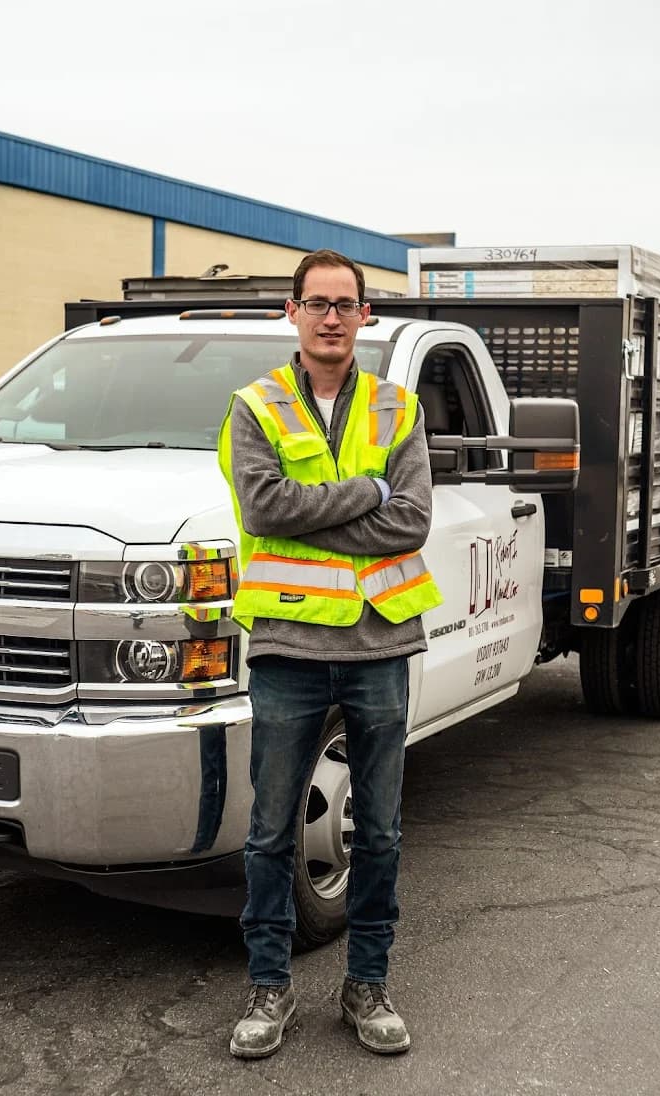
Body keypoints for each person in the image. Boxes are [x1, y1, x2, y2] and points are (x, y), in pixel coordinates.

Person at [217, 248, 442, 1059]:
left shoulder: (398, 406)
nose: (332, 317)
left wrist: (332, 510)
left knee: (377, 833)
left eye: (346, 304)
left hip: (379, 641)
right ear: (293, 311)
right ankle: (269, 990)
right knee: (271, 832)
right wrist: (369, 494)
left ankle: (366, 985)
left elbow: (411, 520)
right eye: (317, 303)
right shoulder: (256, 406)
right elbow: (265, 506)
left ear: (365, 316)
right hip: (288, 644)